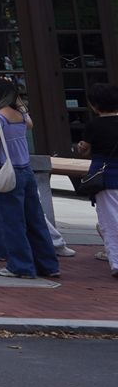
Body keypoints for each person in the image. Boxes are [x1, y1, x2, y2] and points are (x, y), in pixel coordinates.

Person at [0, 78, 60, 279]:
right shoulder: (22, 116)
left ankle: (21, 266)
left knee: (12, 222)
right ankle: (48, 265)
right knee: (35, 219)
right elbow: (30, 124)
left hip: (7, 172)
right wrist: (18, 101)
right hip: (26, 170)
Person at [72, 81, 118, 279]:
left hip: (106, 178)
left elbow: (85, 150)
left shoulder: (94, 125)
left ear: (94, 104)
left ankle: (117, 261)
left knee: (111, 221)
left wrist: (81, 147)